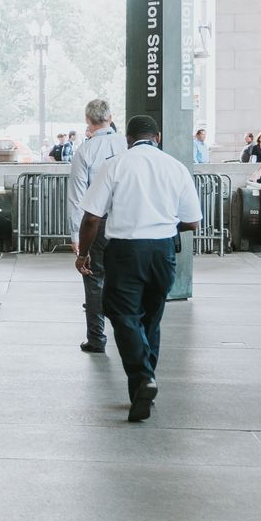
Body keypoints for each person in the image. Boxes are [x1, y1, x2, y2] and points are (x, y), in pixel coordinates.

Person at [76, 113, 202, 422]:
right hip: (163, 251)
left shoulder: (116, 165)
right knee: (151, 317)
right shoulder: (176, 168)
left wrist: (84, 254)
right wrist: (163, 221)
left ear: (128, 139)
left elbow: (92, 217)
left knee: (122, 314)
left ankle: (143, 376)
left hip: (126, 250)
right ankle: (145, 384)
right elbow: (193, 221)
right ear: (157, 137)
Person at [68, 99, 128, 354]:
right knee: (126, 280)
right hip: (127, 222)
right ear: (111, 117)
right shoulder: (126, 144)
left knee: (94, 279)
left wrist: (76, 236)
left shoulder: (85, 151)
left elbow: (77, 197)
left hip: (98, 224)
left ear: (87, 120)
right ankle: (128, 335)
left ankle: (96, 338)